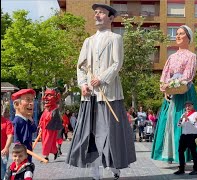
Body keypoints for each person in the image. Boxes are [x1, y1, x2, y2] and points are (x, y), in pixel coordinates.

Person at [66, 3, 136, 180]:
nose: (97, 15)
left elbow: (116, 63)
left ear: (111, 18)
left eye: (101, 13)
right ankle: (95, 167)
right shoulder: (88, 41)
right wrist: (83, 84)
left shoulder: (115, 39)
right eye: (95, 13)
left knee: (110, 132)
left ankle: (114, 164)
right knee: (91, 132)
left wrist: (102, 78)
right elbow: (80, 66)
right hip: (90, 96)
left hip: (109, 94)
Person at [151, 25, 197, 164]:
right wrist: (165, 88)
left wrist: (175, 86)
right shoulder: (171, 57)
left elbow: (187, 76)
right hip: (170, 94)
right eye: (177, 33)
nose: (177, 36)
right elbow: (165, 74)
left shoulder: (191, 56)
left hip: (185, 92)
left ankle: (184, 156)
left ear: (188, 38)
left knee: (183, 121)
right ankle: (169, 153)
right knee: (168, 120)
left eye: (181, 34)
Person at [173, 101, 197, 175]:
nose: (187, 107)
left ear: (192, 106)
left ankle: (195, 169)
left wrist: (187, 118)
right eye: (186, 106)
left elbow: (196, 124)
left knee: (193, 152)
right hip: (184, 135)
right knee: (180, 151)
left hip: (192, 135)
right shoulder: (184, 114)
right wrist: (182, 119)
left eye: (189, 106)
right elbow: (179, 125)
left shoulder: (196, 114)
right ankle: (181, 169)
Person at [12, 89, 38, 162]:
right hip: (21, 152)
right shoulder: (17, 121)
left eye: (32, 100)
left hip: (28, 148)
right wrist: (19, 148)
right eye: (28, 100)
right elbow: (16, 137)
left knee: (29, 165)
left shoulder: (27, 120)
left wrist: (31, 120)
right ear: (17, 104)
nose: (31, 103)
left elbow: (34, 130)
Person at [39, 88, 64, 162]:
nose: (45, 97)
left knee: (47, 141)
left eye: (49, 95)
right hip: (44, 128)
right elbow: (42, 118)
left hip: (50, 128)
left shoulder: (55, 110)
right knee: (48, 142)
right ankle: (55, 151)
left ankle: (46, 157)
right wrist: (40, 126)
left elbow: (56, 121)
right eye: (45, 95)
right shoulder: (46, 109)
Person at [1, 104, 14, 180]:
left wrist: (6, 148)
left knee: (2, 172)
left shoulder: (7, 122)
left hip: (3, 153)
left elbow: (10, 136)